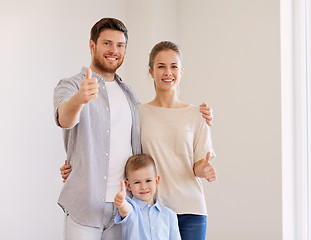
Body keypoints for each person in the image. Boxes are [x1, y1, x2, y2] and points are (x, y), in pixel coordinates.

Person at [55, 18, 213, 240]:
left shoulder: (129, 95)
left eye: (120, 45)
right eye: (107, 43)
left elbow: (137, 144)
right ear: (92, 45)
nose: (114, 50)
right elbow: (64, 118)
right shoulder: (71, 85)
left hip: (126, 207)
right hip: (85, 204)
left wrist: (202, 114)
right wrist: (80, 99)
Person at [138, 41, 217, 240]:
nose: (168, 72)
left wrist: (204, 169)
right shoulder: (138, 113)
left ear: (181, 71)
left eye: (174, 66)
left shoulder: (197, 115)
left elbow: (197, 165)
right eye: (161, 66)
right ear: (151, 71)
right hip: (152, 209)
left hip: (191, 210)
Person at [113, 154, 181, 240]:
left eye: (148, 180)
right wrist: (121, 203)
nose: (143, 187)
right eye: (137, 182)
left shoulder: (169, 215)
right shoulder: (132, 209)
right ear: (128, 185)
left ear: (156, 181)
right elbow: (125, 210)